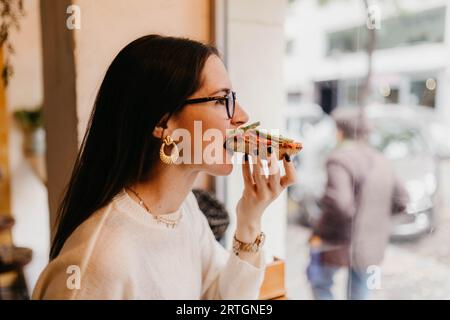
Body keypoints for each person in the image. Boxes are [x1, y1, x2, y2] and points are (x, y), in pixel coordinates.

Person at [32, 35, 297, 299]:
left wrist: (250, 217)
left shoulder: (186, 212)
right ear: (162, 123)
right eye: (220, 99)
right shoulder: (100, 265)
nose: (242, 116)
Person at [306, 107, 408, 300]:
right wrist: (375, 221)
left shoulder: (339, 159)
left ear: (339, 131)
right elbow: (402, 200)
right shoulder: (381, 160)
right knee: (361, 291)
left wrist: (320, 227)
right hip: (370, 244)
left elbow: (341, 204)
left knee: (320, 283)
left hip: (336, 240)